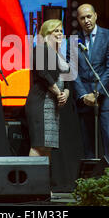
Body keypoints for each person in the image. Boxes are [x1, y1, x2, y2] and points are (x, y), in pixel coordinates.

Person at [71, 4, 109, 158]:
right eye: (82, 18)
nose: (86, 20)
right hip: (85, 98)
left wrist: (96, 93)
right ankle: (91, 179)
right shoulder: (74, 40)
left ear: (95, 16)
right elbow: (72, 70)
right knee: (88, 141)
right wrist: (83, 95)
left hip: (107, 94)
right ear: (78, 21)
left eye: (89, 16)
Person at [25, 19, 70, 164]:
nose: (59, 34)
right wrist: (58, 92)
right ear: (46, 33)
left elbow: (67, 79)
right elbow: (43, 74)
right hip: (41, 102)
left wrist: (66, 93)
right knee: (39, 146)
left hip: (53, 105)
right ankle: (33, 184)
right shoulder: (40, 50)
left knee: (47, 147)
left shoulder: (59, 55)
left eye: (61, 31)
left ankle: (43, 184)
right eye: (55, 30)